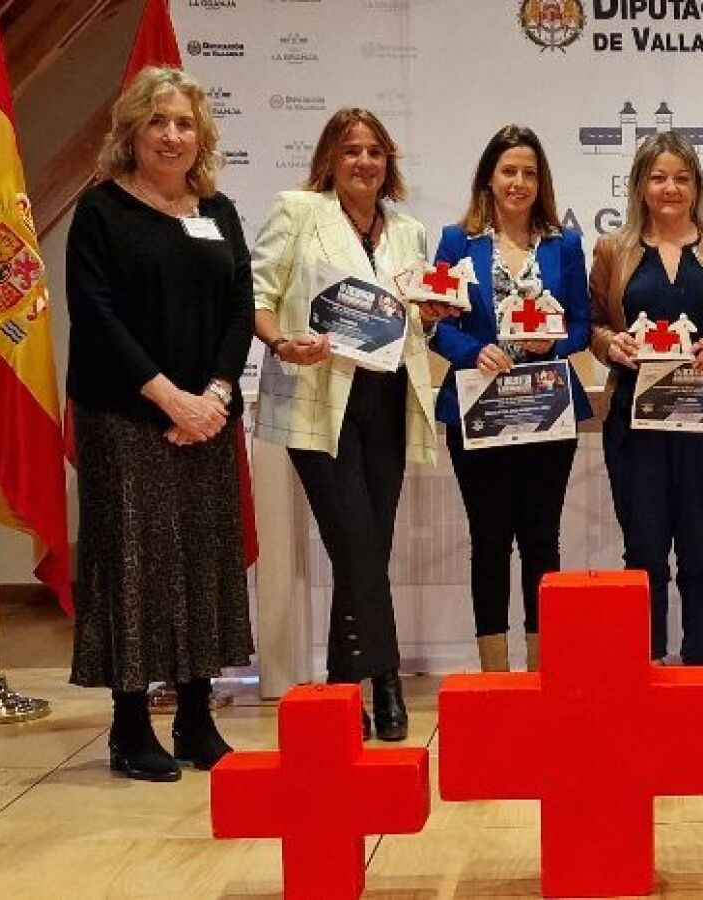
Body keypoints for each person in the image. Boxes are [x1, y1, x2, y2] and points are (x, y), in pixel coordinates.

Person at [66, 66, 253, 781]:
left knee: (203, 560)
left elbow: (240, 305)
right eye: (158, 122)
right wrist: (169, 400)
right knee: (135, 565)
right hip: (125, 416)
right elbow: (96, 315)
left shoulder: (219, 210)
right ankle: (129, 726)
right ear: (131, 132)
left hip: (208, 415)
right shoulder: (100, 211)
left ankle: (196, 717)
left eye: (184, 124)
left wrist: (214, 395)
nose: (172, 136)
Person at [251, 108, 455, 741]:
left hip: (388, 403)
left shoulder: (409, 231)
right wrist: (281, 343)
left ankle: (344, 685)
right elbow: (256, 298)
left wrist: (431, 318)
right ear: (329, 160)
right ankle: (386, 680)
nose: (364, 162)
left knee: (365, 548)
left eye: (375, 151)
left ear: (388, 162)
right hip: (319, 402)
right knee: (358, 543)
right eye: (351, 151)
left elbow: (411, 321)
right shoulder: (297, 212)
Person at [429, 125, 591, 673]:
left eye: (529, 173)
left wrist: (555, 341)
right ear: (489, 178)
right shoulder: (457, 242)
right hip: (480, 409)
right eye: (509, 171)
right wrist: (473, 351)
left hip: (547, 407)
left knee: (542, 540)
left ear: (541, 182)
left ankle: (543, 669)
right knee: (490, 540)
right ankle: (495, 674)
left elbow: (582, 324)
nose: (519, 182)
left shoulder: (565, 244)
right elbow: (436, 325)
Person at [591, 130, 703, 666]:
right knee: (643, 549)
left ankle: (700, 665)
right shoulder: (613, 249)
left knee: (701, 546)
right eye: (659, 177)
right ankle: (650, 666)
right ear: (640, 185)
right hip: (634, 424)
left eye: (682, 178)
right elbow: (590, 324)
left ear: (697, 186)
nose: (671, 188)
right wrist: (611, 344)